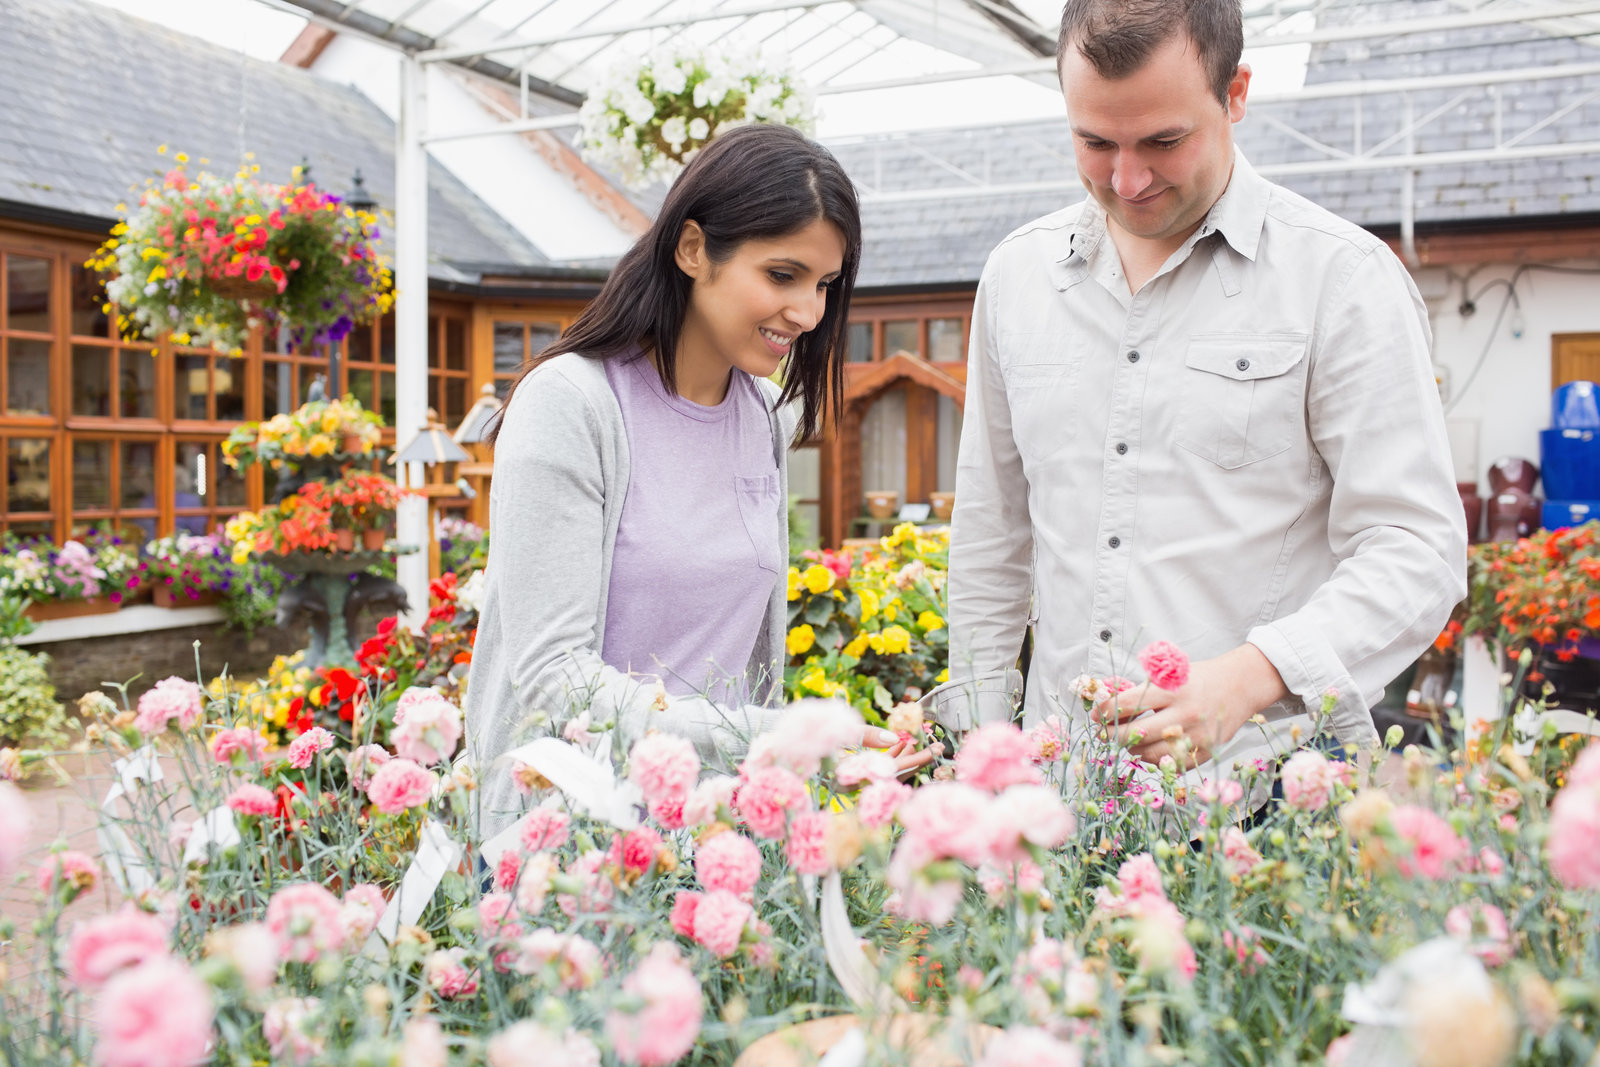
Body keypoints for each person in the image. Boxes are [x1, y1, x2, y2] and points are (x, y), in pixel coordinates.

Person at [934, 0, 1467, 782]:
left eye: (1163, 140)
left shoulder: (1340, 280)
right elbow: (992, 534)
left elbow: (1416, 547)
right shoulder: (1019, 277)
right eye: (1094, 141)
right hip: (1058, 796)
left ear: (1236, 93)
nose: (1127, 178)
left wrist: (1251, 677)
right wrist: (980, 747)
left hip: (1260, 801)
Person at [467, 125, 926, 834]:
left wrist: (787, 752)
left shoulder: (764, 418)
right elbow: (550, 676)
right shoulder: (573, 404)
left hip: (717, 836)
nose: (808, 313)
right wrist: (757, 737)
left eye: (824, 285)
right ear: (692, 250)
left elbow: (744, 667)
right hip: (571, 842)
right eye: (782, 275)